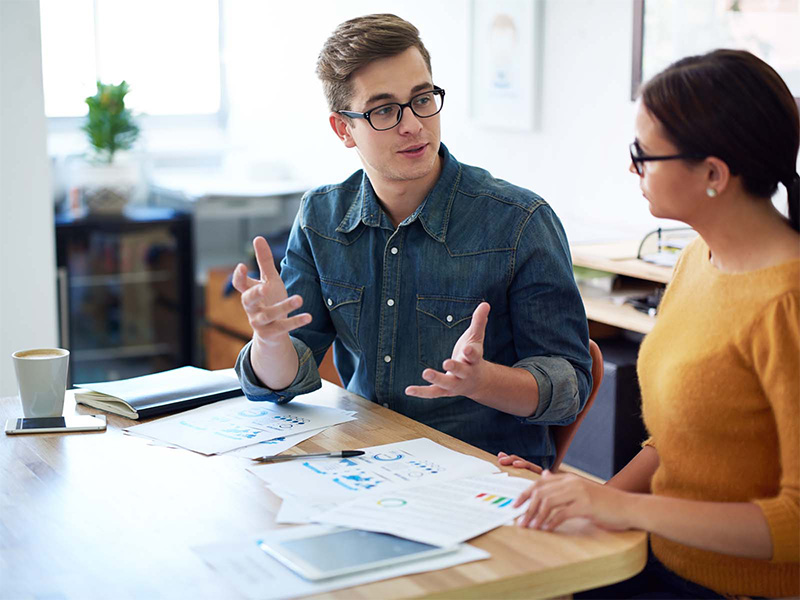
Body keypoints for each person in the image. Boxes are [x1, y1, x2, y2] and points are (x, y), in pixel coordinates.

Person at [499, 49, 799, 598]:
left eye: (643, 154)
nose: (631, 167)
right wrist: (579, 498)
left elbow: (795, 523)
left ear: (713, 173)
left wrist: (619, 505)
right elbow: (679, 442)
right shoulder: (696, 260)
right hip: (658, 557)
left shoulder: (788, 304)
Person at [231, 13, 591, 466]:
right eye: (384, 110)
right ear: (344, 129)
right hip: (362, 463)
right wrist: (268, 341)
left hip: (481, 475)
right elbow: (284, 383)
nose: (413, 125)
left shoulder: (519, 222)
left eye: (422, 99)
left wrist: (482, 381)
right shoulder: (321, 216)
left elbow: (570, 387)